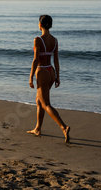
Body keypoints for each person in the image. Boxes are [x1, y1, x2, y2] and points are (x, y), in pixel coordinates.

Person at [27, 15, 70, 143]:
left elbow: (35, 60)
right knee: (39, 100)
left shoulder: (38, 40)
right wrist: (57, 76)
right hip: (51, 71)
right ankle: (38, 128)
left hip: (42, 71)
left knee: (45, 103)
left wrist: (30, 76)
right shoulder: (55, 40)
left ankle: (64, 127)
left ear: (40, 25)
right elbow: (56, 60)